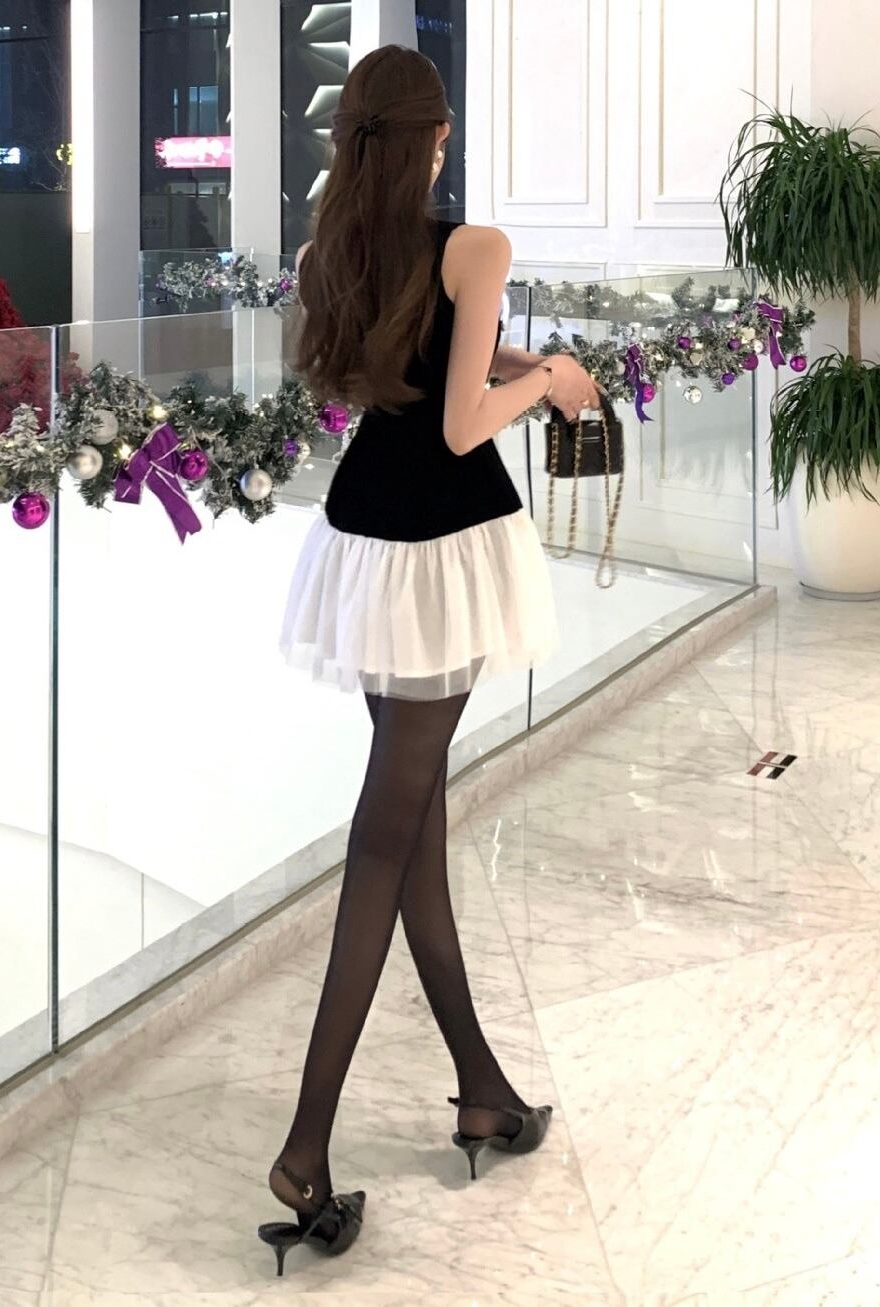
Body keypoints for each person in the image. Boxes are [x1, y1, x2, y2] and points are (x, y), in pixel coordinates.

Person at [262, 46, 600, 1278]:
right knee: (386, 835)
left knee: (414, 832)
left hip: (365, 542)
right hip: (443, 548)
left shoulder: (331, 252)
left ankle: (481, 1090)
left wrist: (503, 362)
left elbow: (397, 376)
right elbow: (458, 426)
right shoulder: (474, 247)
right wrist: (549, 377)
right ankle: (304, 1146)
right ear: (434, 136)